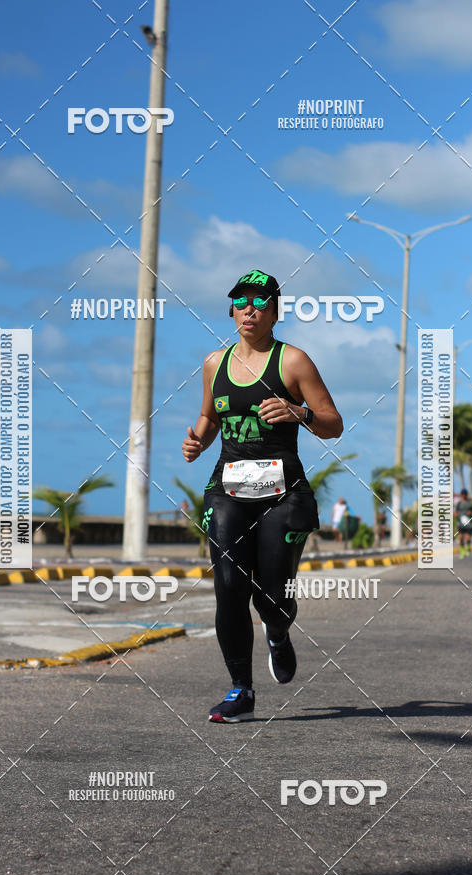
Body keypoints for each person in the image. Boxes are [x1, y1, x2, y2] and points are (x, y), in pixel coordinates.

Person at [181, 269, 343, 723]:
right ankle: (240, 690)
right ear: (232, 310)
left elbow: (333, 424)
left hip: (283, 493)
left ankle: (277, 630)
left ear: (274, 312)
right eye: (241, 302)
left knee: (272, 596)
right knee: (229, 587)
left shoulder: (293, 362)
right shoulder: (215, 363)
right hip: (229, 488)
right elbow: (209, 417)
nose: (248, 309)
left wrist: (299, 412)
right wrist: (198, 440)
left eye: (259, 302)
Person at [455, 488, 472, 558]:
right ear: (461, 495)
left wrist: (471, 512)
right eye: (462, 494)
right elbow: (456, 512)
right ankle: (462, 551)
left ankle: (468, 548)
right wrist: (455, 514)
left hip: (469, 524)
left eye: (465, 494)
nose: (463, 496)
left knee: (468, 539)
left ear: (466, 495)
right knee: (460, 538)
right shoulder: (459, 503)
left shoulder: (471, 503)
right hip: (460, 523)